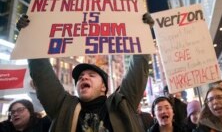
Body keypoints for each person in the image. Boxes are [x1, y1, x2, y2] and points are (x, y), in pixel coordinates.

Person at [16, 13, 154, 132]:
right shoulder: (63, 107)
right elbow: (41, 74)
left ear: (104, 87)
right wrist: (29, 34)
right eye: (80, 77)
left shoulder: (122, 104)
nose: (84, 77)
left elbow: (139, 67)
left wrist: (143, 31)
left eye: (91, 75)